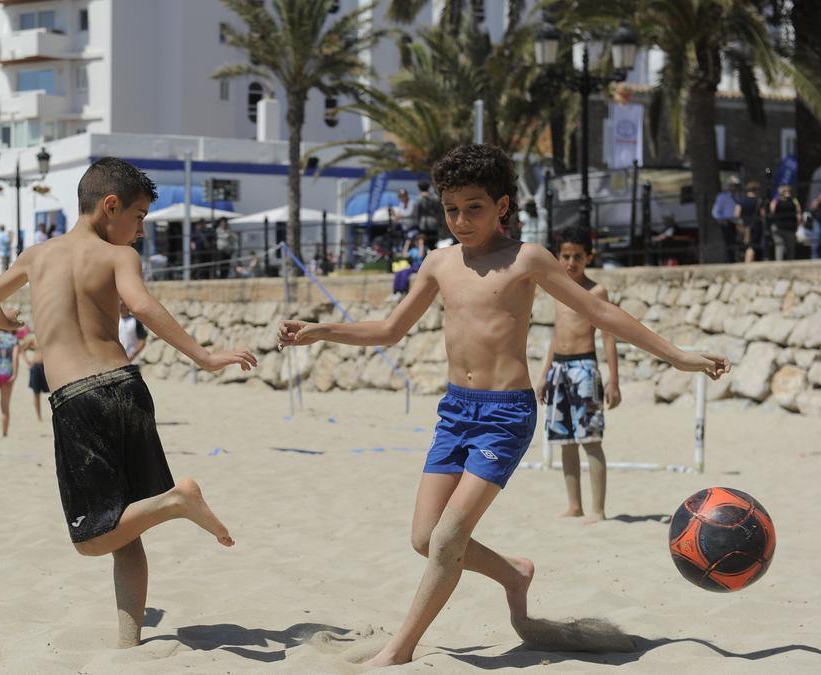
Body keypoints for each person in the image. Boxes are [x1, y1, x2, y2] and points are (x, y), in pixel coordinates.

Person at [277, 144, 729, 667]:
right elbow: (389, 329)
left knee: (449, 536)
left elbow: (600, 311)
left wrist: (678, 356)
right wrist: (322, 331)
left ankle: (399, 650)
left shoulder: (528, 259)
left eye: (474, 207)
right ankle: (514, 574)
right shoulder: (439, 263)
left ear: (503, 205)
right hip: (455, 412)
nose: (461, 220)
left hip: (506, 415)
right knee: (425, 538)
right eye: (451, 209)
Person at [0, 157, 256, 648]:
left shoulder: (36, 256)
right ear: (110, 206)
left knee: (90, 539)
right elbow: (142, 306)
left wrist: (6, 322)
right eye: (140, 216)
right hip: (127, 387)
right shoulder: (117, 258)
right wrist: (204, 356)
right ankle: (129, 645)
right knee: (127, 529)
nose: (141, 230)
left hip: (78, 399)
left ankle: (175, 502)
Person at [536, 225, 621, 524]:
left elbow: (609, 336)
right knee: (565, 440)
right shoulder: (557, 290)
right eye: (565, 256)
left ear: (588, 258)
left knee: (591, 439)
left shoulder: (597, 291)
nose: (571, 262)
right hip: (559, 367)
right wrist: (544, 374)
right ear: (558, 258)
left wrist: (614, 380)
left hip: (585, 368)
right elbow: (557, 335)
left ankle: (598, 508)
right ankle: (575, 504)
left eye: (577, 257)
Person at [711, 176, 742, 263]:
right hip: (727, 222)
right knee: (729, 243)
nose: (735, 187)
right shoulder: (722, 197)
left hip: (737, 222)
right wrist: (722, 219)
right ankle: (730, 260)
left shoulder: (738, 196)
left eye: (736, 185)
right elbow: (715, 211)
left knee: (737, 242)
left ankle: (736, 259)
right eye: (733, 185)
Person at [768, 184, 802, 261]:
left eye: (789, 191)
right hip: (782, 228)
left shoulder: (792, 200)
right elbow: (799, 213)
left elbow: (772, 211)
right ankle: (783, 264)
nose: (788, 192)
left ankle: (783, 264)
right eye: (786, 191)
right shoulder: (792, 200)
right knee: (784, 247)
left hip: (787, 227)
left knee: (786, 248)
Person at [21, 329, 49, 421]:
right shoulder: (33, 339)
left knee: (53, 391)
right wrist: (28, 362)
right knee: (36, 393)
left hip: (47, 367)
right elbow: (23, 350)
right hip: (36, 367)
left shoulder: (48, 337)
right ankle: (39, 417)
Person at [736, 181, 765, 263]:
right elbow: (763, 214)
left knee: (747, 245)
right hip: (756, 225)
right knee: (753, 246)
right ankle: (748, 263)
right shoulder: (759, 201)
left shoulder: (741, 201)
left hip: (744, 226)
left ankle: (748, 261)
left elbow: (736, 213)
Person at [119, 300, 148, 364]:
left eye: (122, 305)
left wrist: (133, 355)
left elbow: (142, 340)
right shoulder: (115, 321)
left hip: (133, 361)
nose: (120, 307)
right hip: (118, 361)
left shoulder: (135, 321)